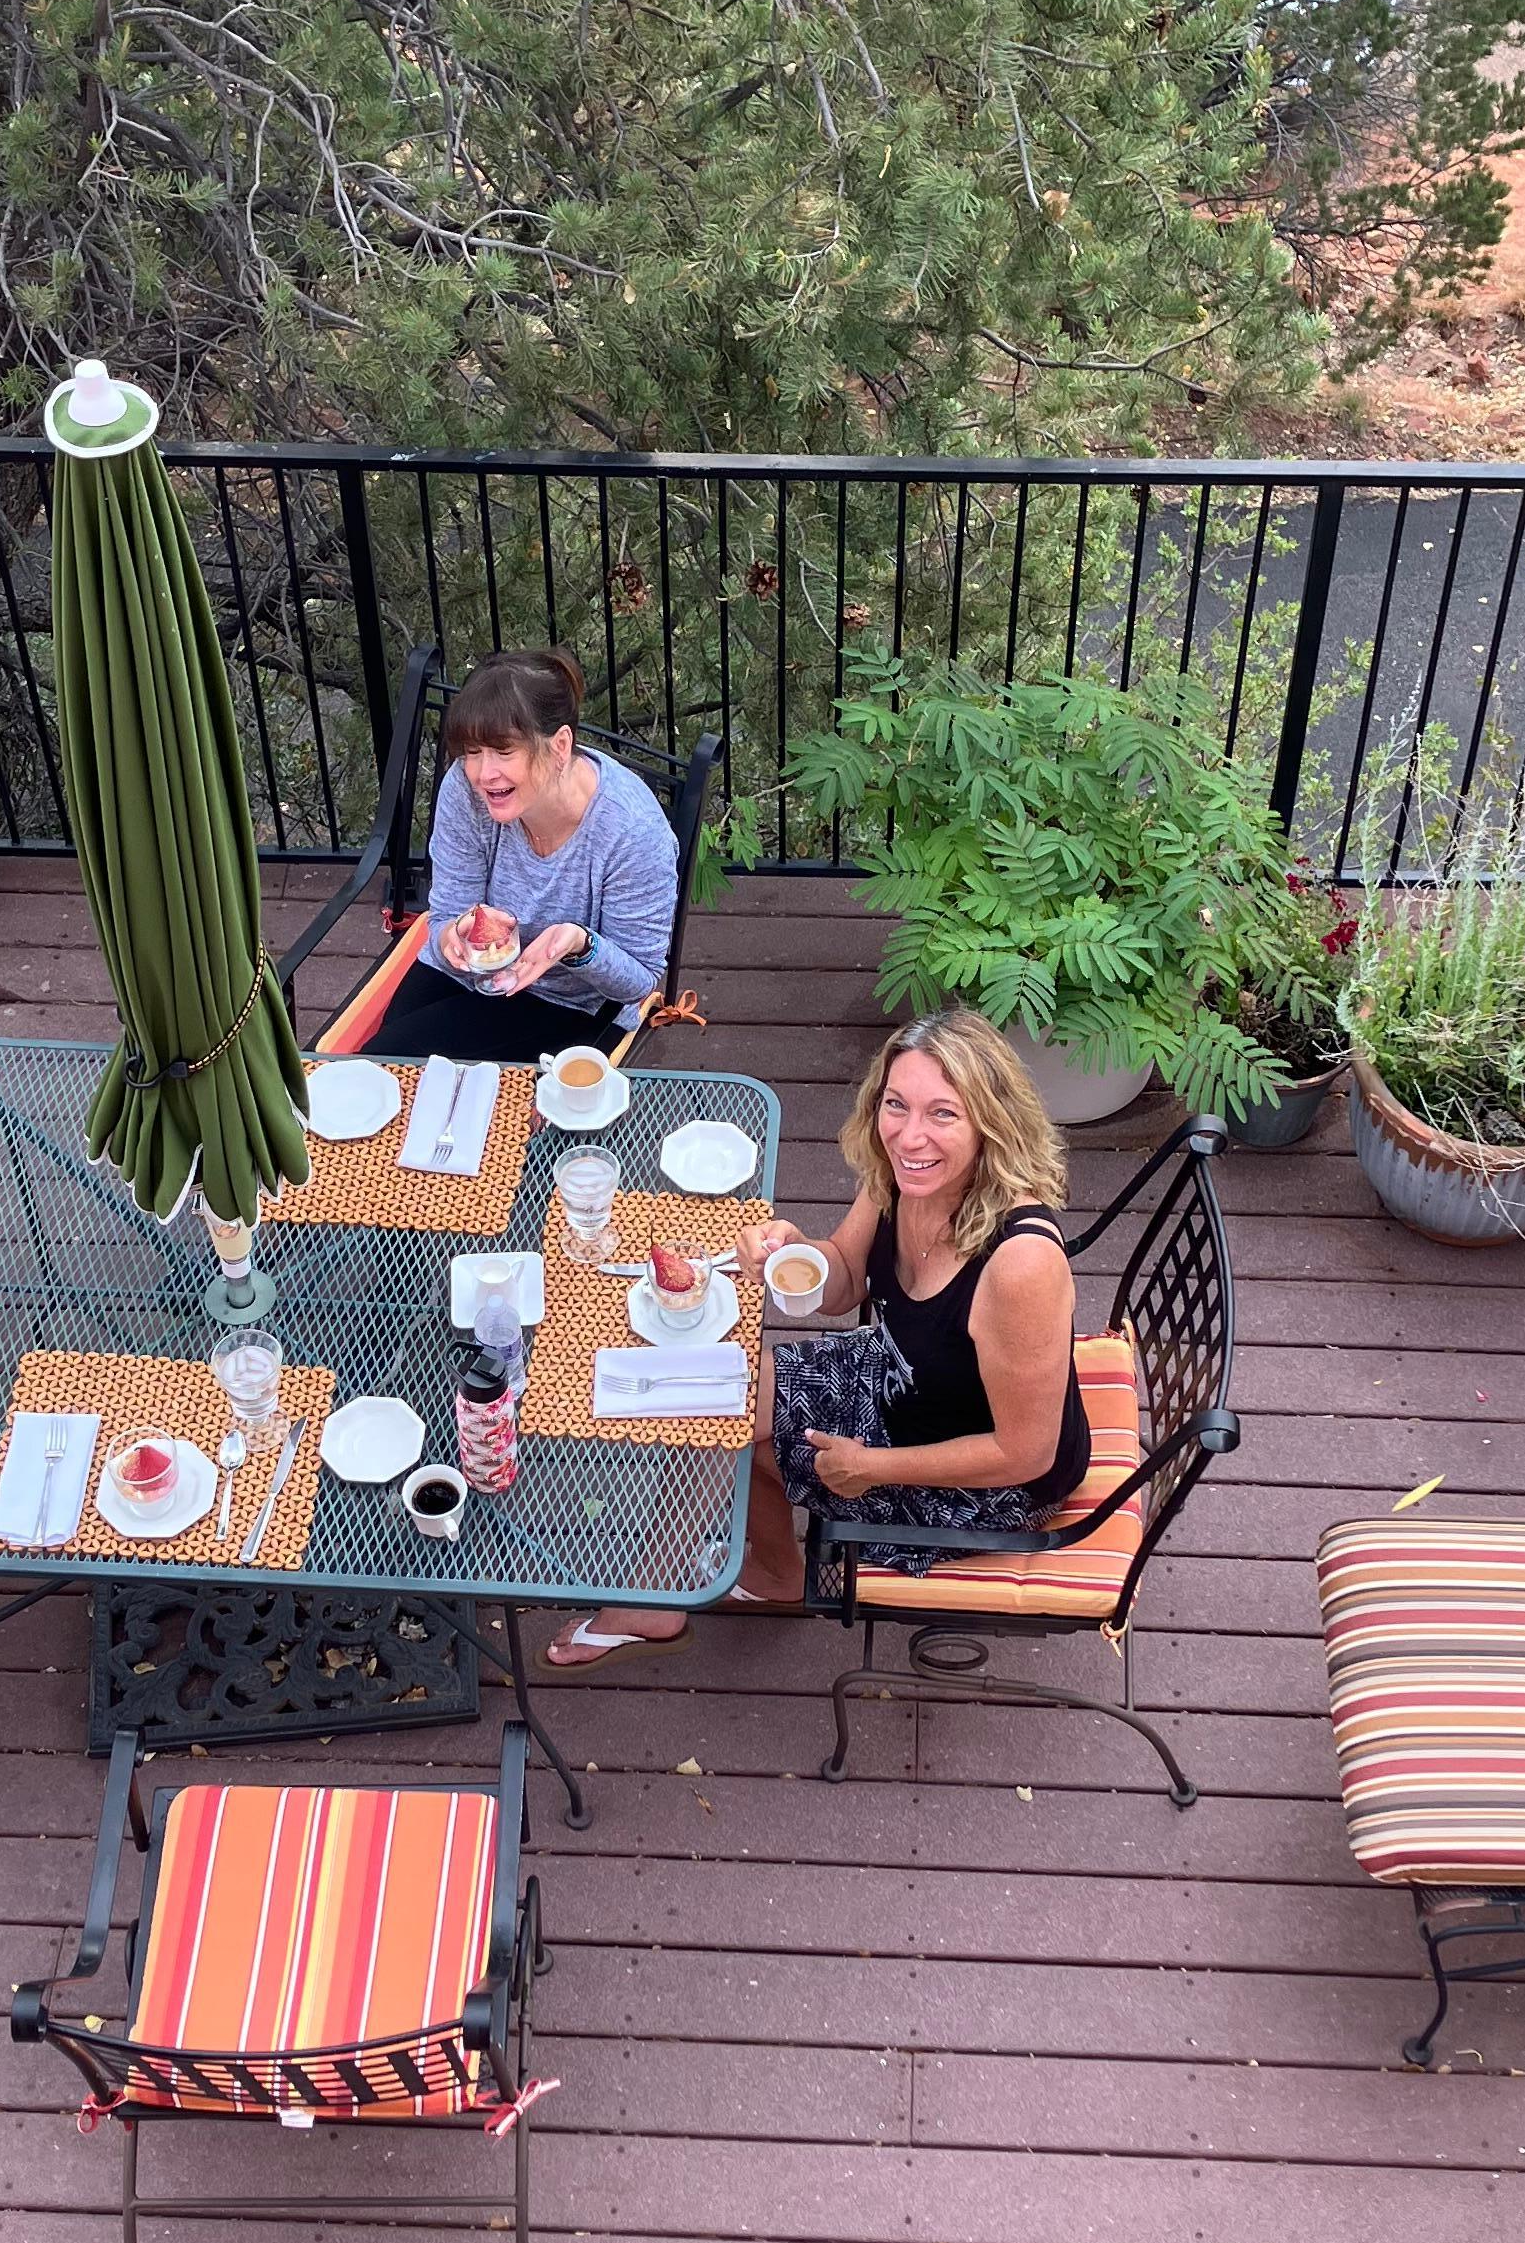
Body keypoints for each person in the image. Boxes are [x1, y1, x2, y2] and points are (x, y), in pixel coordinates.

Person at [540, 1007, 1091, 1670]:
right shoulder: (905, 1172)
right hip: (903, 1383)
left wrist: (874, 1467)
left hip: (988, 1479)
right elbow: (845, 1280)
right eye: (896, 1104)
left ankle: (662, 1593)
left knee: (742, 1432)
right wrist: (792, 1250)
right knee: (729, 1391)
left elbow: (1027, 1451)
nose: (910, 1134)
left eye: (943, 1113)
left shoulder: (1022, 1264)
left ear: (990, 1124)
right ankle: (752, 1577)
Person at [366, 648, 681, 1063]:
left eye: (504, 752)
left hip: (570, 1001)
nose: (483, 773)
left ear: (560, 746)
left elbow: (639, 981)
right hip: (470, 972)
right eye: (472, 752)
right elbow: (446, 915)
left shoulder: (632, 831)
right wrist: (452, 937)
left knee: (396, 1061)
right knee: (381, 1061)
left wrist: (579, 946)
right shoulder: (465, 788)